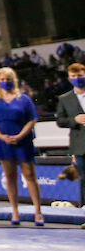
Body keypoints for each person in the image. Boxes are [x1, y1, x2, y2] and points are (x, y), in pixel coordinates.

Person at [0, 66, 42, 225]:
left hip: (22, 139)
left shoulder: (24, 99)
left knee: (30, 175)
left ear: (14, 81)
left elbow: (32, 119)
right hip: (3, 140)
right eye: (2, 80)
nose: (5, 82)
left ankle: (38, 211)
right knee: (10, 176)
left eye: (8, 80)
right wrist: (0, 136)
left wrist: (20, 136)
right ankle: (15, 211)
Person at [54, 62, 85, 214]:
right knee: (84, 179)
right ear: (69, 78)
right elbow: (60, 121)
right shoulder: (64, 99)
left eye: (79, 76)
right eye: (73, 76)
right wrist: (75, 120)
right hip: (80, 145)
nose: (77, 78)